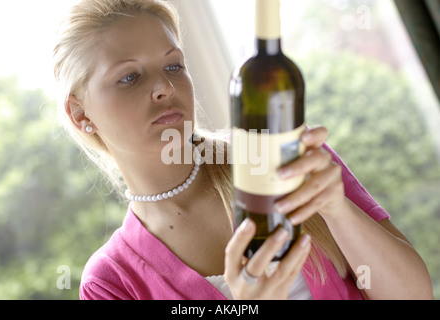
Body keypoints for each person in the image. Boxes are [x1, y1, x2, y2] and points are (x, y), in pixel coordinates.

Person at [53, 0, 433, 300]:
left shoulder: (281, 154)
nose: (165, 89)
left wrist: (338, 210)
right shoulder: (110, 283)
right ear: (80, 112)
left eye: (173, 66)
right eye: (129, 76)